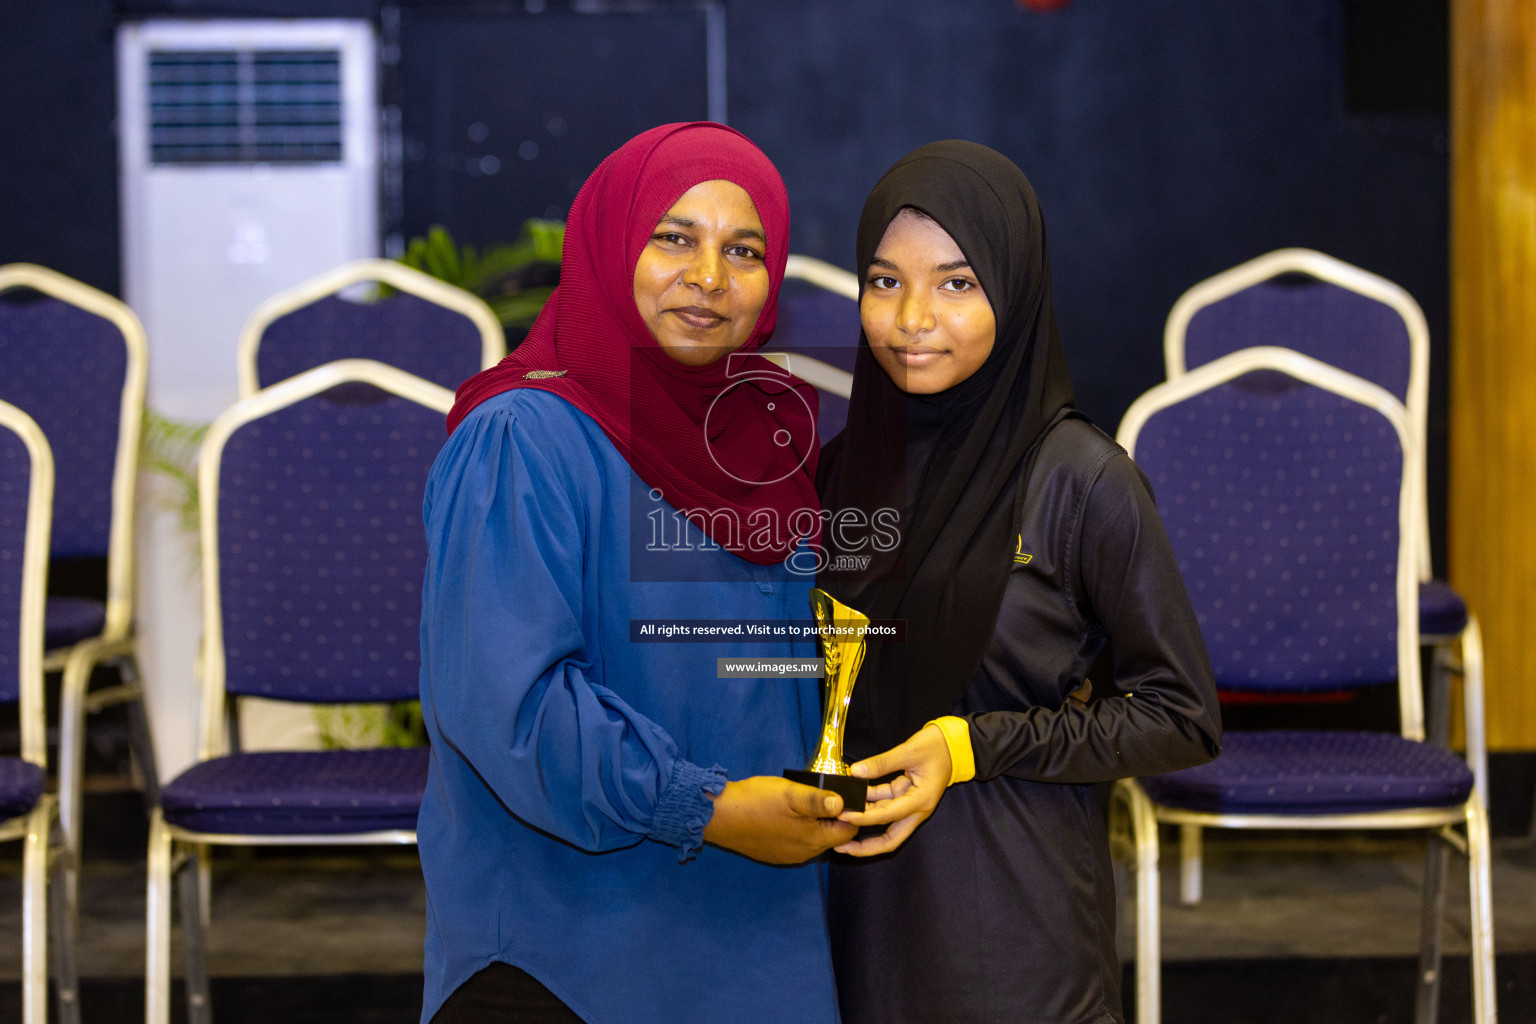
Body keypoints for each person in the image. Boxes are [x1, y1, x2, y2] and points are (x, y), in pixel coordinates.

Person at [417, 122, 853, 1024]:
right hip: (572, 938)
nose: (709, 277)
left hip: (756, 925)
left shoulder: (764, 436)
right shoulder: (524, 436)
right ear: (610, 245)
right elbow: (512, 708)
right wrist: (709, 807)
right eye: (673, 237)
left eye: (744, 249)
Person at [816, 140, 1223, 1024]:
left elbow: (1182, 715)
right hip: (855, 924)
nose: (912, 316)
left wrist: (973, 746)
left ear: (1017, 289)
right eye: (884, 282)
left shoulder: (1082, 480)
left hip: (1015, 931)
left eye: (957, 283)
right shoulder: (841, 472)